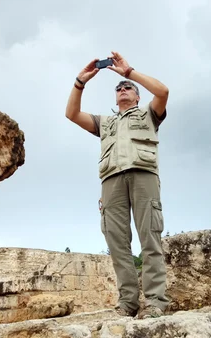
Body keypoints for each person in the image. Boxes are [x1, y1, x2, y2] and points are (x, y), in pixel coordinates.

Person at [65, 51, 170, 319]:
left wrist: (129, 72)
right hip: (111, 181)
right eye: (119, 88)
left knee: (150, 237)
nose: (122, 89)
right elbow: (72, 114)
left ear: (137, 96)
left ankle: (156, 302)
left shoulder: (148, 114)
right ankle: (128, 303)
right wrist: (80, 81)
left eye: (128, 88)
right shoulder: (106, 122)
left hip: (143, 176)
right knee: (117, 242)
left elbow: (163, 91)